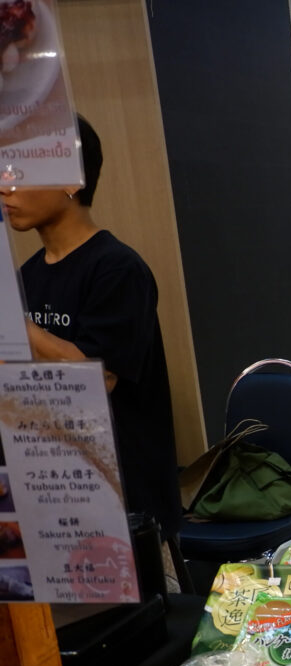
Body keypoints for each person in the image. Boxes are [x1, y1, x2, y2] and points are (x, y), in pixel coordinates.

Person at [4, 116, 180, 543]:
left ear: (72, 180)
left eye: (17, 171)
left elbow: (95, 379)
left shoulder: (118, 269)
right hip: (56, 490)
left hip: (124, 501)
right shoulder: (28, 276)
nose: (5, 187)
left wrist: (12, 321)